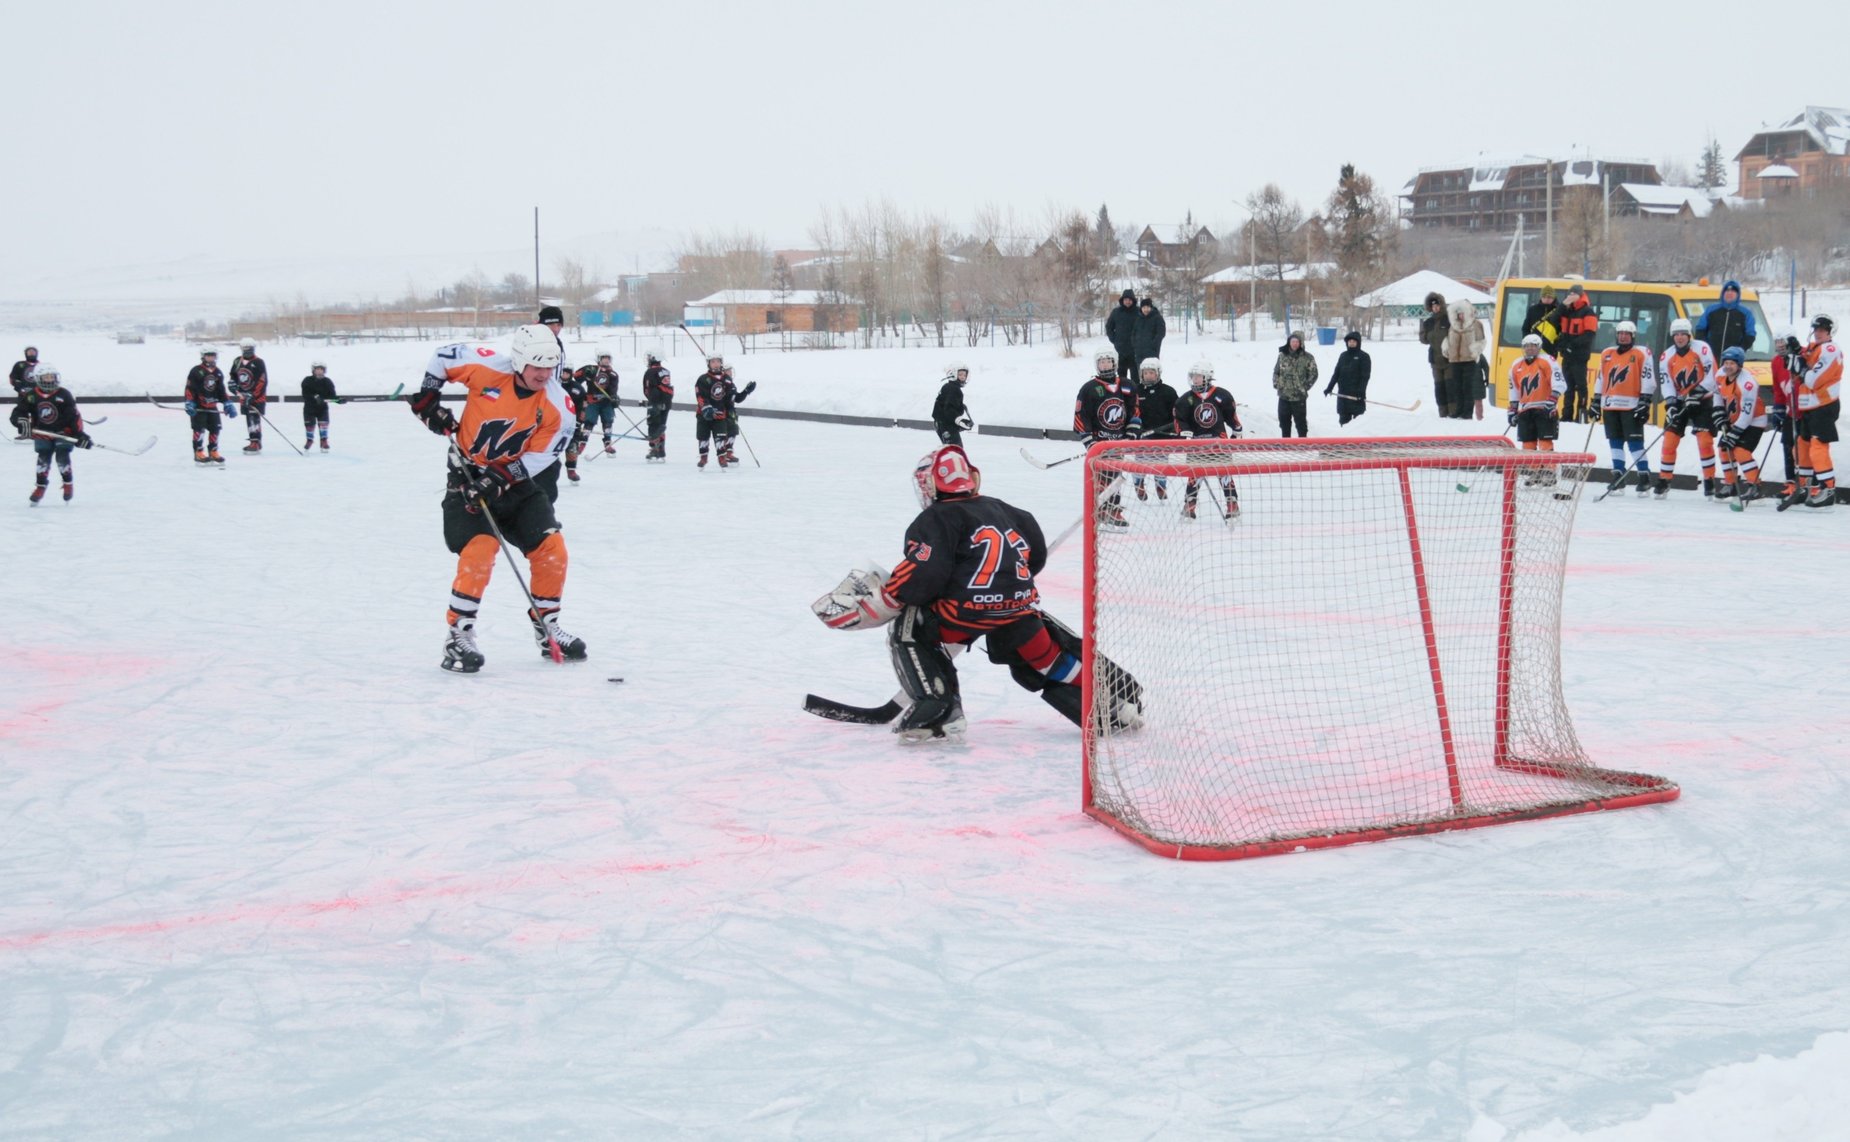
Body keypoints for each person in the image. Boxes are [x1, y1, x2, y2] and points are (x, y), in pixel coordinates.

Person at [810, 444, 1143, 742]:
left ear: (929, 484)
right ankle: (1113, 698)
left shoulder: (935, 518)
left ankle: (939, 710)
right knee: (1044, 658)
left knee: (909, 626)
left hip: (962, 613)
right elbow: (1035, 557)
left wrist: (890, 598)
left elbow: (923, 575)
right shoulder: (1011, 511)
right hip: (1017, 609)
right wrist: (1003, 589)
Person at [408, 324, 582, 672]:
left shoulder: (558, 405)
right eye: (537, 366)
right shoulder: (486, 366)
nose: (544, 374)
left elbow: (545, 454)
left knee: (552, 549)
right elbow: (442, 357)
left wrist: (502, 477)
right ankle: (459, 633)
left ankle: (547, 625)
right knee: (480, 551)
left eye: (550, 366)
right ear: (518, 361)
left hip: (515, 485)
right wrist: (429, 399)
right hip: (467, 478)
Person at [1652, 317, 1719, 498]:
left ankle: (1709, 480)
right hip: (1681, 400)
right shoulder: (1667, 356)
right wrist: (1672, 403)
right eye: (1676, 334)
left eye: (1683, 334)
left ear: (1690, 335)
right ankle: (1664, 479)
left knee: (1704, 440)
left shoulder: (1702, 348)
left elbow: (1713, 376)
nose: (1680, 337)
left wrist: (1696, 392)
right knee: (1669, 439)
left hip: (1703, 400)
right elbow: (1666, 383)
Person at [1074, 347, 1140, 528]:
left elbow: (1134, 411)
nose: (1105, 365)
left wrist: (1131, 434)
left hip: (1118, 440)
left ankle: (1110, 509)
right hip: (1099, 441)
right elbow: (1081, 415)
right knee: (1104, 474)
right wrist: (1089, 441)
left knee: (1115, 474)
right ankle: (1107, 510)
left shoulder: (1127, 385)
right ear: (1097, 365)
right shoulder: (1089, 388)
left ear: (1114, 363)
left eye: (1108, 361)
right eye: (1101, 362)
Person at [1781, 313, 1841, 511]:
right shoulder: (1816, 348)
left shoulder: (1830, 349)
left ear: (1830, 332)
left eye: (1823, 330)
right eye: (1816, 329)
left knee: (1817, 447)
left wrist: (1799, 366)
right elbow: (1806, 358)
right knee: (1801, 446)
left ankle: (1828, 489)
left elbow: (1814, 379)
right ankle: (1805, 487)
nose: (1818, 333)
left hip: (1824, 405)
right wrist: (1797, 351)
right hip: (1809, 406)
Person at [1591, 320, 1655, 494]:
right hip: (1610, 405)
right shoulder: (1607, 353)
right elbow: (1601, 378)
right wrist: (1596, 401)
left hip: (1631, 405)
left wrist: (1645, 401)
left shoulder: (1641, 353)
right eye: (1620, 333)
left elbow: (1648, 378)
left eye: (1627, 334)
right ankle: (1618, 475)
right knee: (1615, 441)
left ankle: (1644, 475)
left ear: (1633, 336)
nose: (1623, 336)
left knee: (1635, 442)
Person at [1174, 358, 1243, 520]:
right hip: (1197, 443)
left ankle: (1232, 503)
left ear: (1207, 377)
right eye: (1193, 376)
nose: (1195, 379)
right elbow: (1179, 418)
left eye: (1198, 376)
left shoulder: (1221, 395)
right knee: (1194, 474)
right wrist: (1184, 432)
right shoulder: (1186, 399)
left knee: (1224, 472)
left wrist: (1236, 429)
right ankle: (1190, 505)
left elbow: (1231, 416)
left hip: (1219, 442)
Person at [19, 363, 89, 504]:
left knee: (62, 456)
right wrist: (21, 422)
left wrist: (80, 435)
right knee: (43, 457)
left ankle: (68, 484)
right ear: (39, 379)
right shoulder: (32, 395)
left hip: (63, 432)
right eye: (46, 377)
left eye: (52, 377)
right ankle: (40, 487)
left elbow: (73, 416)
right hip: (42, 432)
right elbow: (20, 411)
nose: (50, 380)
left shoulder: (64, 394)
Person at [1712, 347, 1768, 502]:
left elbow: (1747, 414)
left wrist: (1734, 433)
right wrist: (1719, 412)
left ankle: (1755, 486)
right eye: (1726, 362)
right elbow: (1717, 393)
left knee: (1740, 451)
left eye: (1732, 363)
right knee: (1724, 449)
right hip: (1735, 419)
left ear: (1740, 365)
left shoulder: (1748, 384)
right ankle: (1730, 484)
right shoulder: (1720, 375)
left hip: (1754, 421)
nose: (1728, 366)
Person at [1507, 334, 1565, 477]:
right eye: (1526, 346)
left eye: (1533, 346)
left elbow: (1560, 383)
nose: (1529, 349)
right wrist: (1512, 410)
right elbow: (1514, 389)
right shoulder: (1516, 365)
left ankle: (1549, 471)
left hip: (1544, 408)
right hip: (1526, 409)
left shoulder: (1547, 361)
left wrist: (1552, 400)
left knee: (1545, 441)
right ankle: (1534, 472)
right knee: (1528, 443)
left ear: (1539, 347)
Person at [1547, 284, 1599, 422]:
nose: (1570, 297)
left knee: (1581, 386)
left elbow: (1589, 334)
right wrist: (1563, 305)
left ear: (1580, 295)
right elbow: (1553, 321)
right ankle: (1567, 415)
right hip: (1567, 355)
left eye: (1573, 295)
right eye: (1569, 295)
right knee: (1567, 387)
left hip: (1580, 356)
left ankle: (1581, 415)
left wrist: (1572, 345)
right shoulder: (1566, 310)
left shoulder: (1588, 312)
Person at [1128, 358, 1177, 502]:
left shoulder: (1168, 392)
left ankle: (1160, 486)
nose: (1148, 375)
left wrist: (1173, 428)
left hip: (1163, 436)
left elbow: (1177, 413)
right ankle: (1139, 484)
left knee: (1161, 462)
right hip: (1142, 436)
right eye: (1146, 373)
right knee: (1140, 461)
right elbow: (1130, 411)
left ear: (1158, 374)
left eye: (1151, 373)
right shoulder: (1135, 390)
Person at [694, 356, 755, 469]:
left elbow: (735, 398)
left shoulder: (727, 380)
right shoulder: (703, 379)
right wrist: (706, 406)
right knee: (703, 436)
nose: (716, 364)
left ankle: (724, 456)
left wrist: (746, 391)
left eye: (718, 362)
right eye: (713, 362)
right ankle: (703, 457)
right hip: (705, 413)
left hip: (721, 414)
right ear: (709, 363)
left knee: (724, 435)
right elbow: (700, 395)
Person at [184, 348, 234, 464]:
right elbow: (189, 389)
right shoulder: (196, 371)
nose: (211, 358)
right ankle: (198, 452)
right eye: (208, 356)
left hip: (212, 407)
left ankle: (213, 451)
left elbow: (221, 390)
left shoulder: (218, 372)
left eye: (213, 356)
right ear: (203, 357)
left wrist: (227, 402)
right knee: (199, 430)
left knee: (215, 429)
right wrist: (189, 402)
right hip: (199, 407)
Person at [1440, 299, 1486, 421]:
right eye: (1458, 313)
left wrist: (1474, 350)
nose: (1460, 315)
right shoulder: (1453, 326)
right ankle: (1458, 411)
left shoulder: (1476, 324)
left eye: (1462, 313)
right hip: (1455, 360)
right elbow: (1447, 339)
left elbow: (1481, 341)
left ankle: (1467, 413)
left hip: (1469, 360)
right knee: (1457, 387)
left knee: (1467, 387)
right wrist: (1446, 348)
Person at [1770, 332, 1803, 500]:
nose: (1780, 346)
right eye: (1777, 342)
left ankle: (1806, 483)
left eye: (1783, 342)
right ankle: (1791, 483)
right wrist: (1778, 408)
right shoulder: (1776, 362)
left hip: (1806, 410)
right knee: (1787, 444)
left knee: (1803, 447)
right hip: (1790, 411)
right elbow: (1777, 388)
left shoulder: (1802, 355)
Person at [1694, 280, 1757, 360]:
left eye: (1733, 291)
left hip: (1733, 361)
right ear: (1722, 293)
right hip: (1710, 358)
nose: (1730, 293)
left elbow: (1750, 335)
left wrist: (1739, 350)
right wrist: (1706, 349)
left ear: (1738, 294)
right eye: (1727, 290)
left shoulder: (1745, 313)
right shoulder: (1711, 310)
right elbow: (1700, 330)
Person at [1272, 330, 1318, 436]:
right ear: (1289, 342)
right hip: (1284, 396)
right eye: (1293, 341)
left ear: (1301, 343)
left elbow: (1314, 374)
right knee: (1284, 421)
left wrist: (1304, 387)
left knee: (1301, 422)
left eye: (1297, 341)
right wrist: (1277, 384)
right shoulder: (1282, 355)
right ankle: (1286, 444)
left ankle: (1302, 444)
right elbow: (1276, 372)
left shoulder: (1308, 357)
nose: (1295, 344)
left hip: (1299, 397)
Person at [228, 337, 269, 452]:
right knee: (249, 418)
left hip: (257, 397)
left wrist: (253, 395)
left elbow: (262, 381)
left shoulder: (259, 362)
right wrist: (232, 385)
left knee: (254, 418)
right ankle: (253, 440)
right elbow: (233, 376)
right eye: (245, 348)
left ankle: (256, 442)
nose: (247, 351)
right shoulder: (237, 361)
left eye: (250, 348)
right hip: (243, 396)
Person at [1324, 330, 1371, 424]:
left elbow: (1365, 377)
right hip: (1343, 395)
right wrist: (1329, 387)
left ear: (1358, 342)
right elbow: (1336, 374)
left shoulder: (1364, 356)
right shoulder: (1343, 355)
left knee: (1358, 424)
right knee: (1344, 422)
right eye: (1349, 341)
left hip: (1357, 396)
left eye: (1354, 341)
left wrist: (1360, 393)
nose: (1351, 343)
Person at [557, 362, 590, 488]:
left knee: (572, 446)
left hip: (572, 423)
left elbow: (584, 406)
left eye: (567, 373)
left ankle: (571, 471)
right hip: (553, 423)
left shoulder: (577, 389)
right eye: (562, 372)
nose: (564, 375)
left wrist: (579, 421)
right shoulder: (554, 385)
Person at [579, 351, 620, 454]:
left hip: (606, 402)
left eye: (608, 358)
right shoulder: (592, 369)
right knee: (589, 422)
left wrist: (614, 398)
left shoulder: (613, 374)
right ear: (599, 359)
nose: (606, 360)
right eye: (604, 358)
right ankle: (582, 444)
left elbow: (613, 389)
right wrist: (585, 375)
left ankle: (607, 443)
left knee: (608, 422)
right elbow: (576, 376)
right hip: (592, 401)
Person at [1419, 292, 1449, 414]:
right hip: (1435, 361)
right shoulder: (1428, 322)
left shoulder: (1449, 319)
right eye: (1433, 306)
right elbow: (1423, 339)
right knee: (1439, 387)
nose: (1435, 308)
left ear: (1441, 305)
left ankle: (1452, 412)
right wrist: (1423, 331)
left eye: (1437, 305)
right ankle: (1442, 411)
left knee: (1450, 386)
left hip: (1449, 359)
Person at [932, 362, 973, 446]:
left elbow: (946, 405)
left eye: (964, 375)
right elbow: (948, 408)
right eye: (960, 374)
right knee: (955, 448)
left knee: (952, 447)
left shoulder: (949, 387)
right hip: (945, 424)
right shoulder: (953, 389)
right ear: (952, 374)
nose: (963, 377)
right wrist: (959, 420)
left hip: (943, 423)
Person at [642, 353, 673, 462]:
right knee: (661, 425)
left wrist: (651, 400)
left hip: (655, 402)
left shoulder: (650, 371)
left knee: (653, 425)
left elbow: (647, 389)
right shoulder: (666, 371)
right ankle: (661, 451)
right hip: (666, 402)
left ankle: (654, 449)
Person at [300, 361, 337, 451]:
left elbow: (332, 395)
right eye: (317, 369)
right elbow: (305, 393)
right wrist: (315, 397)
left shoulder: (327, 381)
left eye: (321, 369)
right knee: (310, 425)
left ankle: (324, 441)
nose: (319, 371)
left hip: (322, 408)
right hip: (310, 408)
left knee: (323, 424)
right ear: (313, 370)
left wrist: (338, 400)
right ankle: (309, 440)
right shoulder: (307, 380)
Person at [1106, 288, 1139, 381]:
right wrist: (1114, 340)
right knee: (1121, 377)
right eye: (1125, 299)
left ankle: (1135, 394)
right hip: (1120, 350)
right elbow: (1109, 327)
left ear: (1133, 300)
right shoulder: (1116, 312)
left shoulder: (1139, 312)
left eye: (1129, 299)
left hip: (1135, 351)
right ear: (1122, 300)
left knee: (1135, 377)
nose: (1127, 301)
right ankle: (1121, 394)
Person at [9, 345, 39, 440]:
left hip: (38, 395)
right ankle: (25, 433)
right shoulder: (19, 365)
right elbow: (13, 378)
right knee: (20, 414)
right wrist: (20, 388)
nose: (31, 353)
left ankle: (37, 433)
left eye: (33, 351)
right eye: (29, 351)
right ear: (25, 353)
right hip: (23, 395)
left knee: (37, 414)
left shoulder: (41, 366)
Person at [1521, 285, 1560, 356]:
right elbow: (1525, 328)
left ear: (1553, 298)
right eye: (1544, 297)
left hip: (1550, 351)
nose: (1546, 299)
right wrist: (1527, 343)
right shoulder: (1533, 310)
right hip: (1533, 350)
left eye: (1549, 297)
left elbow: (1561, 332)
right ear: (1541, 297)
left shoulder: (1558, 312)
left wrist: (1555, 347)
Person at [1133, 297, 1166, 372]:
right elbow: (1134, 333)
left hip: (1152, 353)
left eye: (1147, 307)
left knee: (1152, 375)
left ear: (1151, 307)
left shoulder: (1157, 318)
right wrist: (1135, 344)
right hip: (1139, 353)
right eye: (1144, 307)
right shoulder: (1138, 319)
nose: (1145, 309)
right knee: (1141, 375)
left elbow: (1161, 333)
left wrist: (1153, 344)